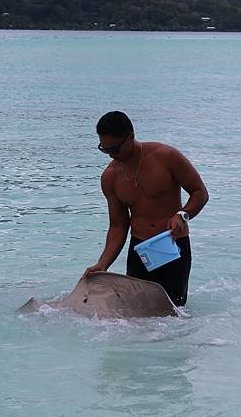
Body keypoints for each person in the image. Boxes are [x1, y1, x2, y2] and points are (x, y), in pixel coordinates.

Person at [82, 111, 208, 306]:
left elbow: (200, 192)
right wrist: (103, 264)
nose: (112, 156)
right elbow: (118, 227)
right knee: (136, 317)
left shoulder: (166, 156)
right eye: (105, 150)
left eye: (115, 149)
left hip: (172, 246)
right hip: (140, 250)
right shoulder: (110, 177)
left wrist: (182, 215)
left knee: (174, 315)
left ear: (131, 137)